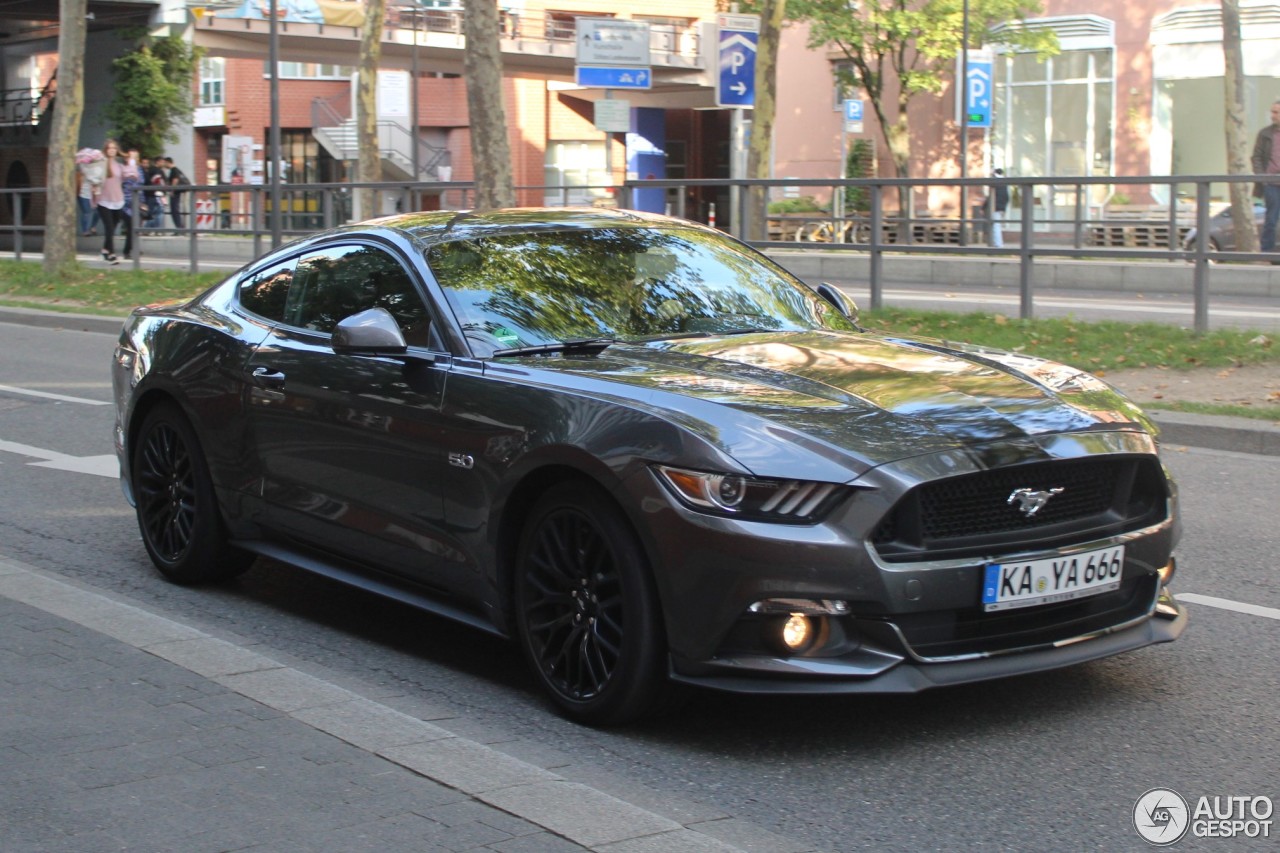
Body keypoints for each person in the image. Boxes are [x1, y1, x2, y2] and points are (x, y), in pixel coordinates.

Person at [92, 139, 138, 264]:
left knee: (116, 226)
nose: (112, 150)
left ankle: (105, 250)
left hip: (118, 200)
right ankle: (111, 254)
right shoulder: (101, 163)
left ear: (116, 150)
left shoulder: (119, 166)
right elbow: (93, 178)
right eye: (109, 148)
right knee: (109, 227)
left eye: (114, 148)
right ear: (106, 150)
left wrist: (132, 160)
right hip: (103, 200)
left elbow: (131, 175)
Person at [1252, 101, 1280, 252]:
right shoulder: (1265, 134)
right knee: (1271, 220)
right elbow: (1256, 157)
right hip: (1271, 183)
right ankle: (1266, 254)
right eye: (1272, 112)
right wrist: (1262, 178)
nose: (1273, 116)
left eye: (1276, 112)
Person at [161, 156, 189, 230]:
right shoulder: (177, 170)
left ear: (168, 162)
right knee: (175, 210)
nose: (164, 165)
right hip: (177, 192)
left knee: (174, 210)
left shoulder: (174, 170)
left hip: (175, 193)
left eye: (165, 163)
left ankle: (179, 228)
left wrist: (172, 190)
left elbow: (175, 180)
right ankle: (179, 227)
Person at [988, 168, 1010, 248]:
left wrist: (991, 174)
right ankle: (998, 243)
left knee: (995, 225)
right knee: (997, 225)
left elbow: (991, 194)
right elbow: (1007, 197)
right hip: (1001, 207)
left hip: (996, 206)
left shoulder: (996, 182)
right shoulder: (1004, 183)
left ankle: (998, 244)